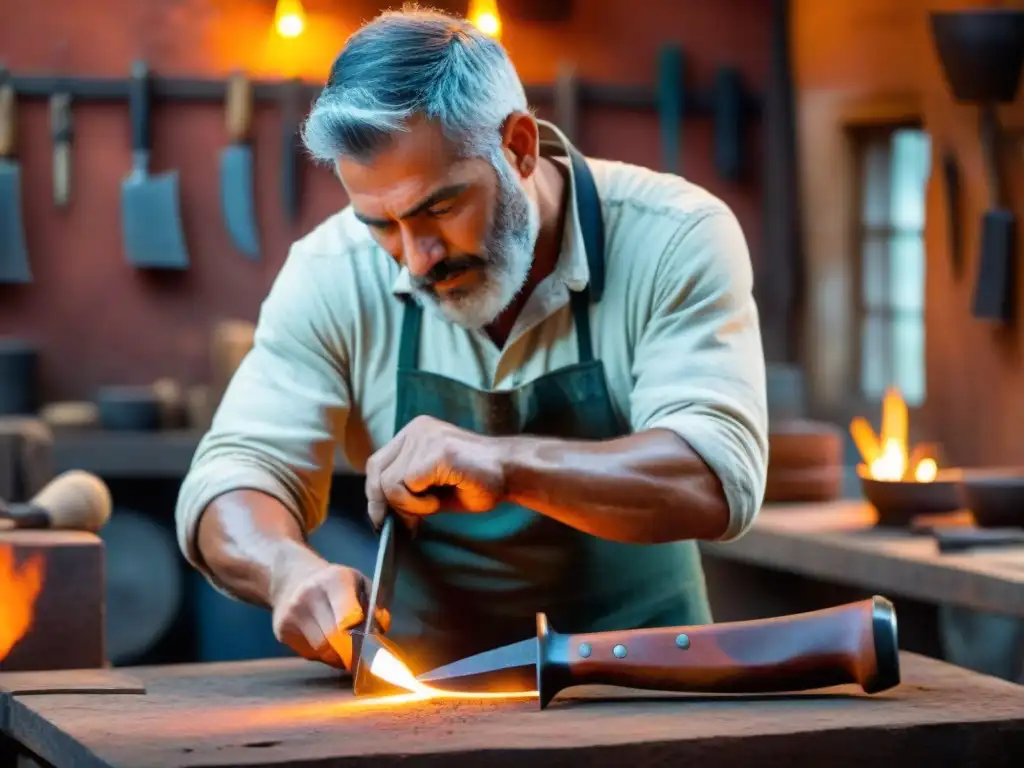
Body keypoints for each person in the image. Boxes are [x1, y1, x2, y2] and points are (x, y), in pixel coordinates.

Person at [175, 7, 768, 676]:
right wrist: (285, 570)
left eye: (440, 207)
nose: (416, 258)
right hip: (426, 700)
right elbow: (232, 476)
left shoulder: (674, 236)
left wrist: (504, 466)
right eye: (381, 224)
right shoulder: (330, 270)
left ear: (518, 145)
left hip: (649, 683)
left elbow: (715, 477)